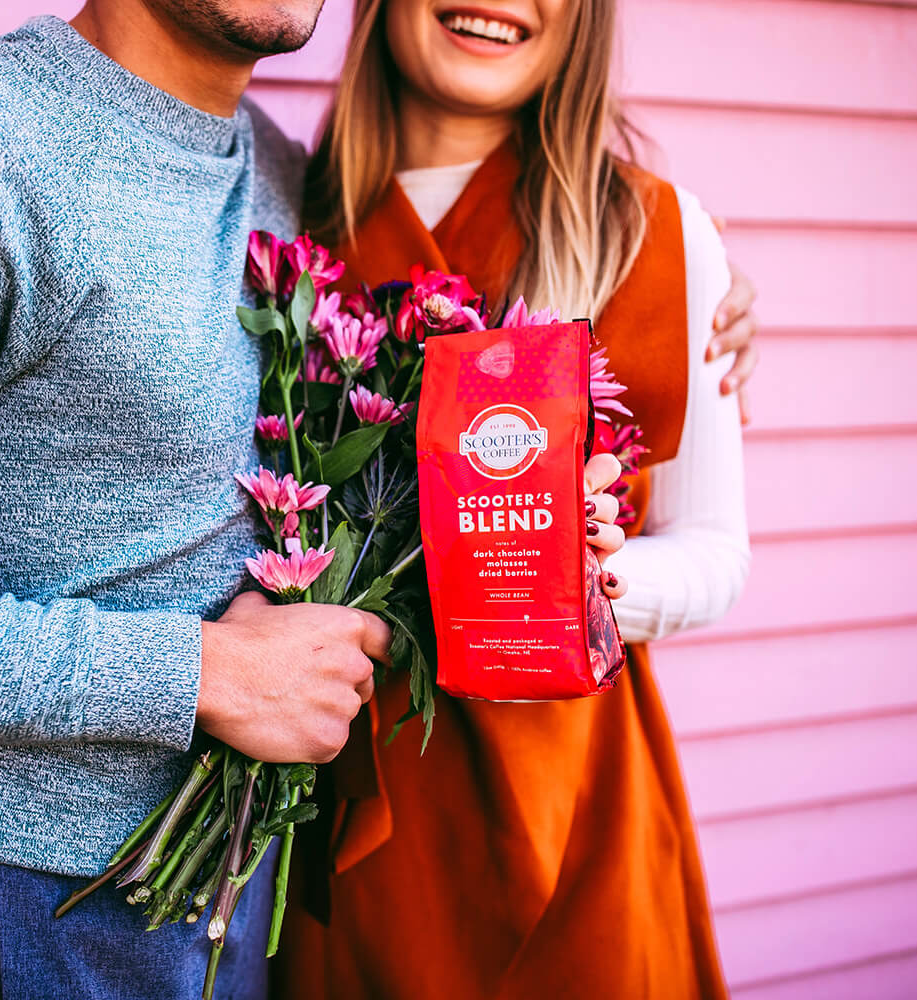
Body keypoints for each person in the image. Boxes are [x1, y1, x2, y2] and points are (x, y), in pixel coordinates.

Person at [0, 1, 758, 997]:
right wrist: (201, 671)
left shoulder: (289, 182)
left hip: (262, 879)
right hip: (49, 894)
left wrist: (696, 294)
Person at [272, 1, 751, 998]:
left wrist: (570, 574)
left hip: (573, 811)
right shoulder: (286, 222)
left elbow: (713, 550)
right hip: (342, 811)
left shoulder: (652, 231)